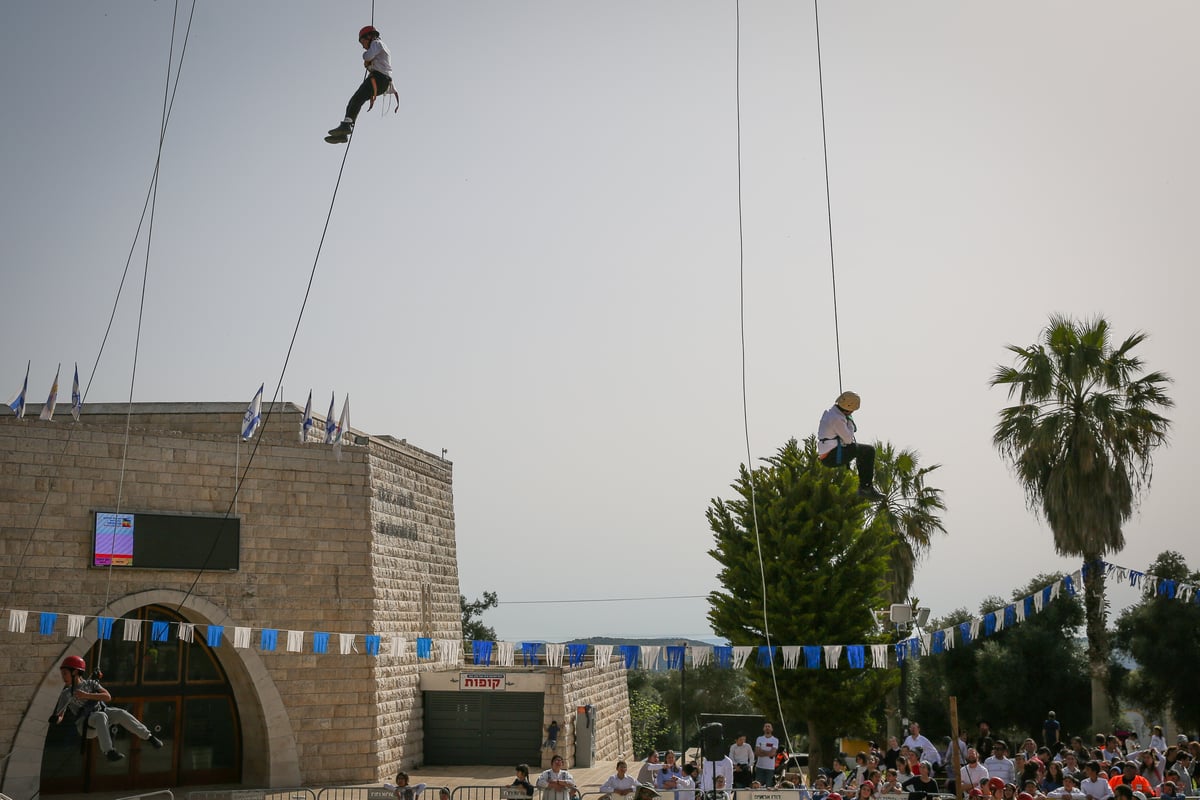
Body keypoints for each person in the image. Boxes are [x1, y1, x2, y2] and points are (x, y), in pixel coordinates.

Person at [49, 655, 162, 761]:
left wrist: (87, 695)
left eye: (65, 673)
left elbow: (107, 697)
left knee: (120, 713)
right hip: (85, 725)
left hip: (100, 716)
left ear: (75, 672)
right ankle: (109, 751)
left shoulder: (91, 684)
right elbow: (60, 715)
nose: (63, 677)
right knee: (101, 716)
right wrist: (56, 719)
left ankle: (149, 737)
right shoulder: (66, 694)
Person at [326, 25, 394, 143]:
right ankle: (344, 130)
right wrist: (369, 65)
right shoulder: (380, 46)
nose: (362, 46)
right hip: (382, 81)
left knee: (356, 99)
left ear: (369, 36)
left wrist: (366, 59)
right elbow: (375, 62)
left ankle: (346, 126)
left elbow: (367, 56)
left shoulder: (376, 43)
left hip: (379, 79)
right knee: (355, 100)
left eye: (363, 41)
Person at [817, 391, 884, 501]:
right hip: (832, 457)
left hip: (831, 453)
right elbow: (848, 440)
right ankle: (866, 488)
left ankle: (864, 486)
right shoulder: (837, 418)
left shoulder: (833, 413)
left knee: (861, 451)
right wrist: (851, 423)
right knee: (868, 451)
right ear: (848, 409)